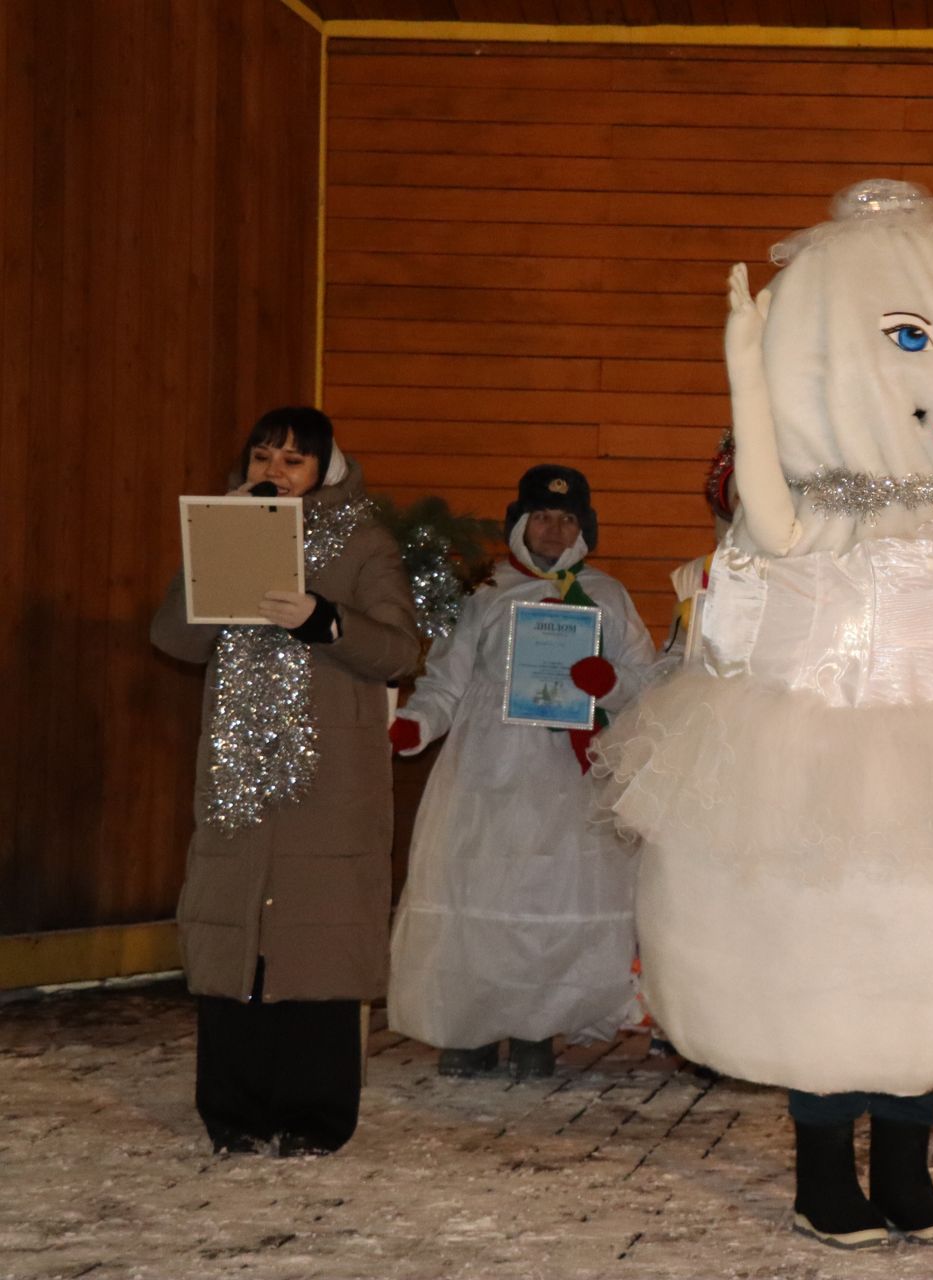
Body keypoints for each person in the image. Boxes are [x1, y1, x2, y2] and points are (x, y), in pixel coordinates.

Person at [593, 181, 933, 1248]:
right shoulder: (825, 511)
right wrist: (747, 368)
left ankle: (906, 1164)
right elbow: (763, 513)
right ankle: (821, 1170)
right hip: (835, 762)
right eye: (910, 336)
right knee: (832, 961)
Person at [150, 406, 420, 1156]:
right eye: (264, 456)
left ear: (325, 471)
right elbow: (174, 638)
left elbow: (399, 649)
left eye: (294, 461)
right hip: (238, 775)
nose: (275, 471)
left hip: (327, 781)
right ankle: (233, 1112)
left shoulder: (362, 540)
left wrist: (324, 621)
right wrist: (219, 558)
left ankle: (315, 1117)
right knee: (235, 931)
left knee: (318, 941)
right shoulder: (223, 529)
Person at [386, 465, 657, 1079]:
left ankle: (537, 1027)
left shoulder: (606, 596)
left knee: (550, 894)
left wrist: (608, 683)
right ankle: (471, 1028)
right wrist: (418, 723)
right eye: (542, 516)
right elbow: (448, 679)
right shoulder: (488, 593)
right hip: (488, 765)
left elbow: (646, 681)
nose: (554, 529)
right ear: (520, 523)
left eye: (567, 519)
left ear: (583, 528)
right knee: (480, 892)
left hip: (567, 771)